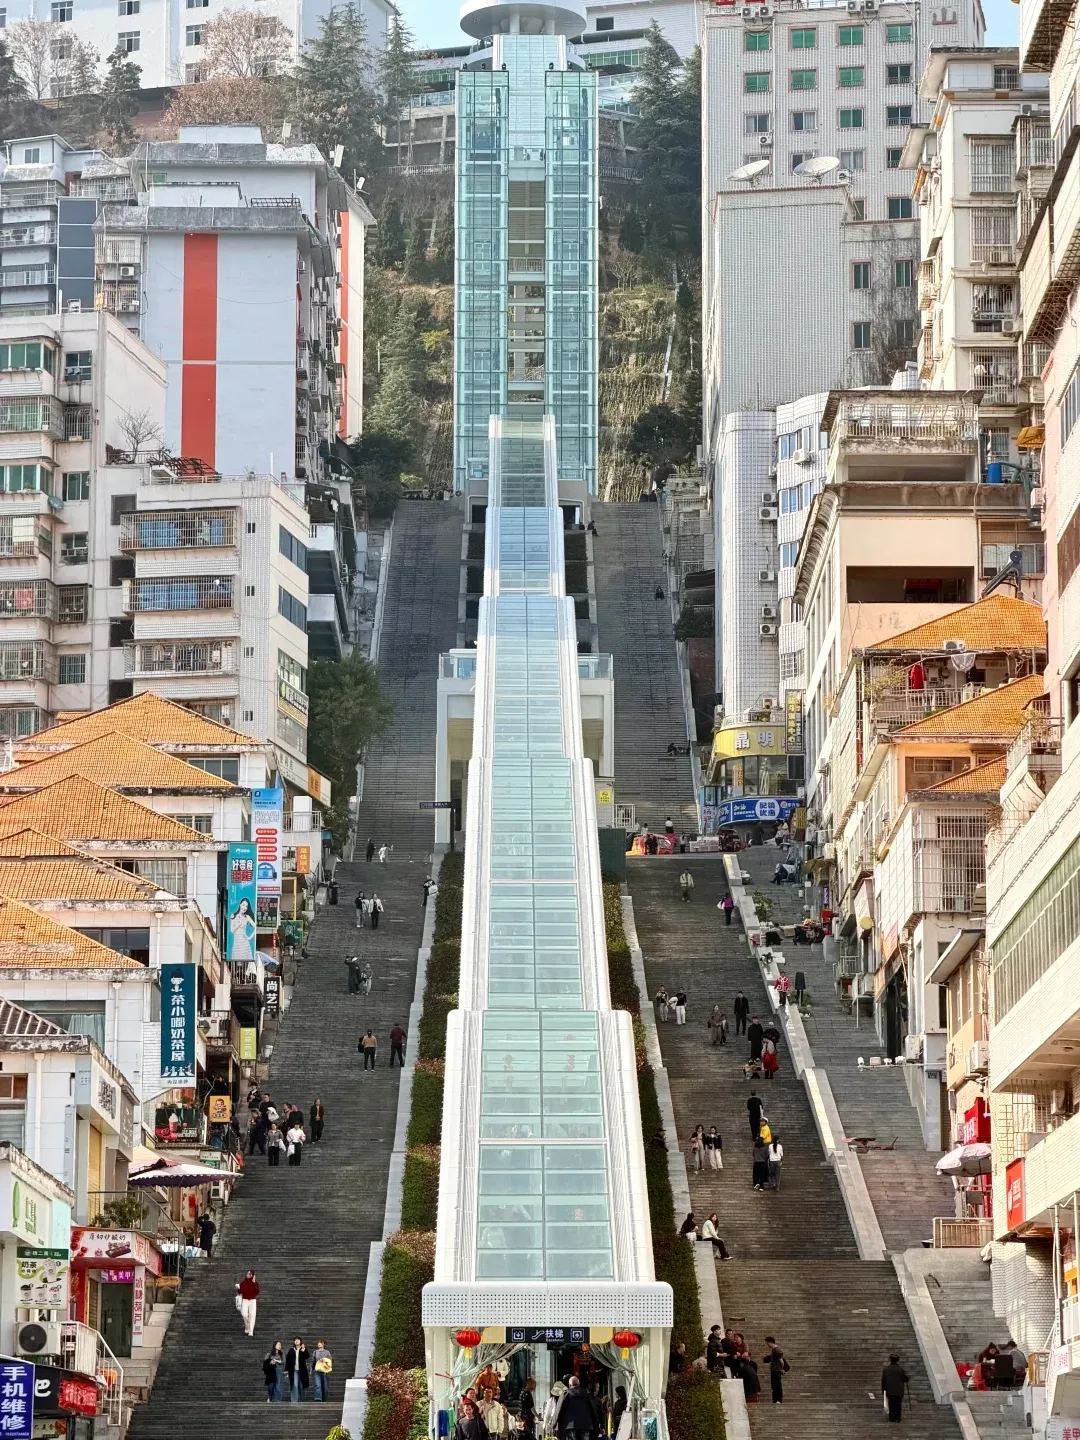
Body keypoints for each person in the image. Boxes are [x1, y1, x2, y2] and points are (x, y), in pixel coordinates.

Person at [881, 1354, 909, 1422]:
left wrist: (883, 1390)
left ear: (890, 1360)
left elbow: (883, 1381)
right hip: (899, 1390)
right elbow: (906, 1379)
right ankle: (898, 1417)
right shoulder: (901, 1370)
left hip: (889, 1390)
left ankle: (892, 1417)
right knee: (898, 1404)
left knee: (891, 1404)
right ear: (897, 1361)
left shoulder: (886, 1370)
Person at [764, 1338, 789, 1404]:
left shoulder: (777, 1350)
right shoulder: (774, 1350)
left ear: (771, 1342)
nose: (767, 1345)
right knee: (774, 1386)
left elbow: (782, 1362)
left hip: (776, 1371)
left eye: (767, 1343)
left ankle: (778, 1400)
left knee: (777, 1386)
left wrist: (781, 1369)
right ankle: (775, 1400)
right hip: (774, 1370)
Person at [286, 1337, 309, 1402]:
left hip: (302, 1370)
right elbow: (288, 1360)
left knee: (301, 1385)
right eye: (295, 1340)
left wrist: (304, 1350)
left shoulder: (303, 1349)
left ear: (300, 1341)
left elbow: (307, 1356)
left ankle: (302, 1399)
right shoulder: (291, 1350)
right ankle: (294, 1400)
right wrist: (287, 1370)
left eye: (298, 1340)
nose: (296, 1341)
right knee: (295, 1385)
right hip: (294, 1370)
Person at [237, 1270, 259, 1335]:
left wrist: (254, 1282)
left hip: (252, 1300)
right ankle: (247, 1327)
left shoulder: (255, 1283)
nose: (247, 1275)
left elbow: (257, 1291)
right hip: (245, 1300)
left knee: (252, 1316)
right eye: (247, 1273)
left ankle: (251, 1331)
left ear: (252, 1275)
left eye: (249, 1274)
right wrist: (238, 1288)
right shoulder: (243, 1282)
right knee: (244, 1314)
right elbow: (240, 1292)